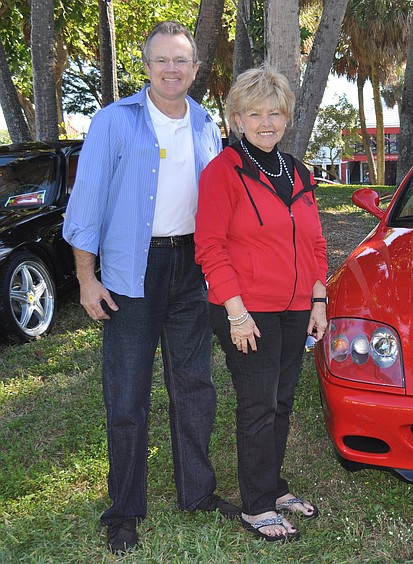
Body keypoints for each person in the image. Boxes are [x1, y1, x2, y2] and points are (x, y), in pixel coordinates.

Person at [62, 21, 238, 555]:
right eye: (161, 59)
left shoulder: (206, 124)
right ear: (145, 66)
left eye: (180, 60)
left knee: (195, 386)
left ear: (195, 68)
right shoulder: (114, 121)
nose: (171, 69)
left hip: (192, 267)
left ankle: (198, 492)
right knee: (127, 395)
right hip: (129, 272)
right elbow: (86, 203)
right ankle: (123, 511)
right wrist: (86, 278)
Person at [194, 65, 328, 543]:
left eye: (274, 113)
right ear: (237, 119)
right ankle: (255, 507)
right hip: (245, 311)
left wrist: (318, 300)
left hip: (296, 308)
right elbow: (210, 247)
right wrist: (236, 313)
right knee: (258, 406)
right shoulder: (222, 172)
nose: (266, 123)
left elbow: (315, 243)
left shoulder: (298, 171)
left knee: (282, 401)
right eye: (255, 114)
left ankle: (272, 487)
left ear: (287, 117)